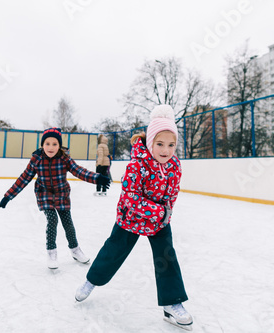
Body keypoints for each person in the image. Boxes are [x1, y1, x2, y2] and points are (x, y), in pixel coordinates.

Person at [75, 105, 193, 330]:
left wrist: (166, 212)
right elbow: (131, 198)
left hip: (159, 222)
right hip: (130, 218)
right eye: (160, 144)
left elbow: (172, 194)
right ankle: (91, 281)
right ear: (150, 143)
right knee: (113, 252)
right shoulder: (137, 165)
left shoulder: (175, 166)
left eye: (171, 145)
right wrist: (159, 211)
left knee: (167, 258)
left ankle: (172, 304)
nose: (166, 150)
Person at [0, 127, 111, 269]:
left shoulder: (64, 158)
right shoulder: (37, 159)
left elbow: (78, 171)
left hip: (61, 194)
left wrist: (97, 178)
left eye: (54, 144)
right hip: (44, 194)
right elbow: (24, 178)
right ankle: (52, 253)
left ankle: (75, 250)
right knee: (52, 219)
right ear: (42, 145)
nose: (50, 147)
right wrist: (8, 196)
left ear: (59, 146)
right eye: (47, 143)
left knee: (68, 223)